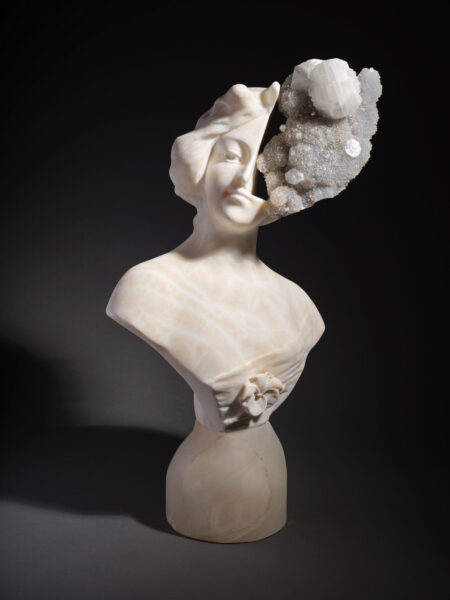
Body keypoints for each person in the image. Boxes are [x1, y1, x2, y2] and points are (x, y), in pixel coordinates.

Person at [106, 81, 324, 433]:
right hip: (202, 462)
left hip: (266, 459)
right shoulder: (146, 289)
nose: (243, 179)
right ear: (201, 168)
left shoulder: (301, 307)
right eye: (232, 157)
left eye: (262, 167)